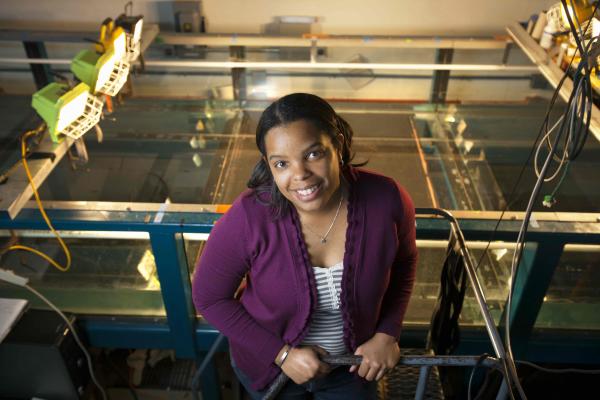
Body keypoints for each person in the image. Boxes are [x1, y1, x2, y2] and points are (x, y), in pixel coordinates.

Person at [192, 93, 417, 399]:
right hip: (272, 370)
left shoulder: (386, 198)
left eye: (313, 154)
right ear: (268, 166)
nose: (299, 175)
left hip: (353, 371)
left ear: (337, 144)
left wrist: (387, 332)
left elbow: (404, 262)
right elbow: (209, 297)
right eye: (281, 163)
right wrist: (280, 354)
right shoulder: (250, 215)